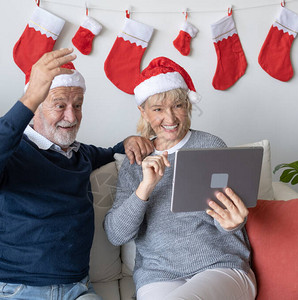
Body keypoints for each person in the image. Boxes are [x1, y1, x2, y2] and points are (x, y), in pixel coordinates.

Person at [0, 48, 153, 300]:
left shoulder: (81, 154)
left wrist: (129, 141)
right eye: (59, 105)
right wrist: (27, 99)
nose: (71, 117)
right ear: (35, 106)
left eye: (78, 105)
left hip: (77, 290)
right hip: (9, 290)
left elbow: (113, 152)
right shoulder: (9, 151)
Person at [104, 57, 257, 300]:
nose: (171, 118)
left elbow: (226, 219)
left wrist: (233, 222)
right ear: (142, 112)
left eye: (178, 106)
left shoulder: (210, 146)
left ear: (188, 105)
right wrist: (145, 188)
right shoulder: (135, 161)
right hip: (157, 276)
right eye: (158, 109)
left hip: (219, 266)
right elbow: (116, 235)